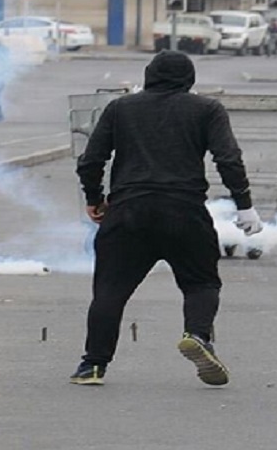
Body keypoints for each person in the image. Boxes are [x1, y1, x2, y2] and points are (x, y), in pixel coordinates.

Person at [70, 50, 263, 386]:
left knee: (110, 291)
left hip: (128, 212)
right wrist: (244, 204)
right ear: (189, 79)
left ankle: (93, 366)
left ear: (148, 74)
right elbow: (228, 158)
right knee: (201, 283)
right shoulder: (207, 110)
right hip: (184, 212)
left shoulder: (120, 109)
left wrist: (94, 199)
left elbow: (91, 160)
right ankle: (198, 336)